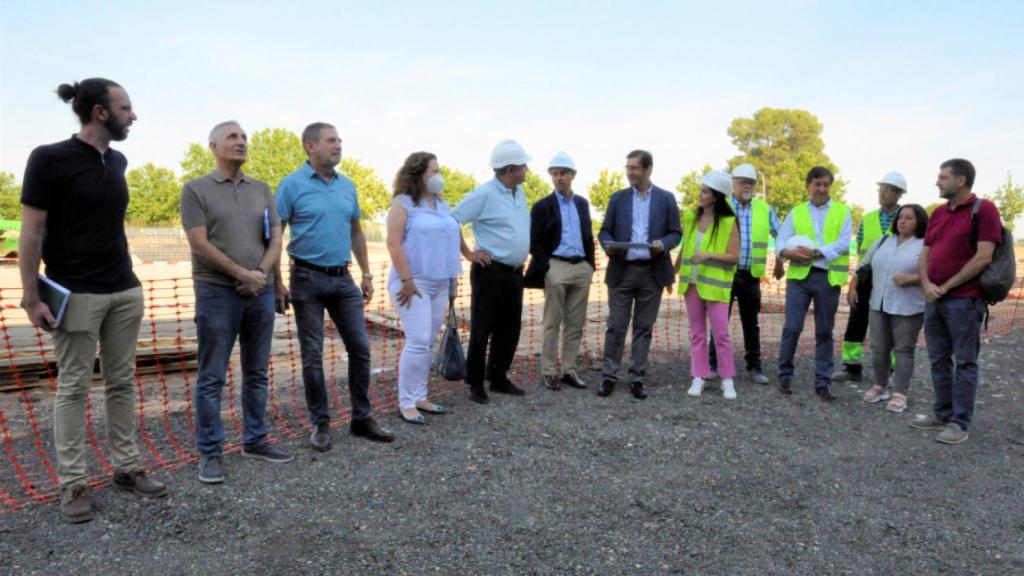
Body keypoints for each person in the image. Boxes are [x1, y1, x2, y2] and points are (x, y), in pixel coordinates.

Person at [19, 78, 167, 523]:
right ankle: (74, 484)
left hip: (123, 289)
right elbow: (32, 231)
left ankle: (126, 468)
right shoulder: (49, 159)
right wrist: (31, 296)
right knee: (74, 388)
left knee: (121, 382)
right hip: (76, 292)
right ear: (101, 112)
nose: (134, 115)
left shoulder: (117, 160)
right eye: (126, 107)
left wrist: (130, 286)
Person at [182, 120, 292, 485]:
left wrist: (263, 276)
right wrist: (241, 275)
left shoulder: (261, 189)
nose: (241, 142)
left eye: (244, 137)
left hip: (259, 291)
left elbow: (275, 237)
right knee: (211, 376)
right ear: (213, 146)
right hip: (217, 292)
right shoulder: (195, 190)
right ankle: (210, 452)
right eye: (233, 137)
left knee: (257, 372)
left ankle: (255, 440)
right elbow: (199, 243)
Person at [275, 122, 394, 447]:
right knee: (312, 355)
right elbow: (275, 234)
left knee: (360, 348)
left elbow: (356, 230)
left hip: (343, 280)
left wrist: (366, 273)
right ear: (309, 146)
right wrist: (276, 282)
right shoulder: (290, 185)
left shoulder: (347, 186)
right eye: (331, 141)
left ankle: (361, 418)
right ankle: (321, 423)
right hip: (305, 279)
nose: (338, 145)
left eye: (339, 140)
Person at [911, 159, 1001, 444]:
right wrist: (926, 284)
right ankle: (942, 413)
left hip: (964, 300)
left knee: (965, 362)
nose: (938, 182)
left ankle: (960, 423)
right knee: (937, 358)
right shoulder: (937, 213)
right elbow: (925, 253)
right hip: (933, 299)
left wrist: (946, 286)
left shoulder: (984, 210)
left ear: (960, 180)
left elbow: (984, 257)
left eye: (943, 177)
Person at [451, 139, 532, 405]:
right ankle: (475, 383)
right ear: (510, 169)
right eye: (523, 166)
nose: (527, 170)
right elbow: (453, 221)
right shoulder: (483, 194)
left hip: (514, 273)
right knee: (482, 328)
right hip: (490, 272)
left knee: (510, 328)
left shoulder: (518, 193)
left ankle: (498, 377)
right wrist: (468, 253)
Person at [597, 150, 682, 400]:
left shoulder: (666, 199)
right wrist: (608, 244)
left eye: (634, 168)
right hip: (621, 272)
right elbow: (605, 232)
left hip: (652, 274)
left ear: (648, 169)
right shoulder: (617, 199)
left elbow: (675, 233)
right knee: (616, 326)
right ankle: (608, 376)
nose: (629, 172)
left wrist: (663, 244)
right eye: (628, 167)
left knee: (644, 327)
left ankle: (637, 377)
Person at [385, 152, 462, 424]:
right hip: (413, 283)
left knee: (427, 342)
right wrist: (406, 280)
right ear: (418, 174)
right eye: (434, 170)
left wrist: (452, 282)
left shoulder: (442, 205)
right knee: (417, 341)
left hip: (440, 283)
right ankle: (406, 402)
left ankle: (420, 396)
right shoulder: (403, 204)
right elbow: (393, 244)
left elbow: (449, 244)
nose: (438, 175)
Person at [775, 166, 853, 401]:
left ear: (830, 186)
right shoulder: (796, 211)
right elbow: (781, 238)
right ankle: (785, 375)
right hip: (799, 277)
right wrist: (787, 253)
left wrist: (817, 252)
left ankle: (823, 382)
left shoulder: (843, 211)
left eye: (826, 184)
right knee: (792, 327)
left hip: (827, 278)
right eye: (817, 183)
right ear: (808, 185)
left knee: (824, 331)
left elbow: (843, 242)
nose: (821, 188)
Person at [524, 151, 595, 391]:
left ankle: (569, 369)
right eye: (554, 173)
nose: (558, 177)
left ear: (573, 175)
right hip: (556, 266)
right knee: (553, 322)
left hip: (581, 267)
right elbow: (535, 242)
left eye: (563, 173)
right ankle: (548, 371)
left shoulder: (582, 204)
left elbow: (588, 236)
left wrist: (590, 266)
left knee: (575, 323)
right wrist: (547, 267)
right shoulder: (542, 206)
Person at [708, 163, 784, 384]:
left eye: (750, 182)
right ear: (733, 184)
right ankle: (714, 365)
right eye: (742, 182)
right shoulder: (721, 207)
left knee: (751, 324)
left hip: (751, 276)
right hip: (724, 275)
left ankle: (755, 367)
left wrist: (780, 261)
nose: (747, 186)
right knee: (720, 322)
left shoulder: (764, 209)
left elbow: (782, 234)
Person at [851, 204, 928, 413]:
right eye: (901, 217)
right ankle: (880, 385)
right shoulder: (884, 241)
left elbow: (935, 274)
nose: (903, 221)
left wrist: (913, 279)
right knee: (878, 347)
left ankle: (900, 393)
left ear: (919, 221)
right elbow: (862, 266)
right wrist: (853, 286)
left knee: (903, 349)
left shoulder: (925, 245)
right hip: (879, 303)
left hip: (908, 306)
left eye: (909, 218)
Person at [834, 172, 907, 383]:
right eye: (880, 189)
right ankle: (851, 367)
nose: (882, 193)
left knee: (892, 324)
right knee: (856, 321)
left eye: (887, 190)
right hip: (867, 279)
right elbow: (861, 254)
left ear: (899, 193)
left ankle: (893, 370)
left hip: (894, 280)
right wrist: (854, 282)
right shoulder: (867, 219)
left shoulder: (906, 218)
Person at [674, 171, 740, 399]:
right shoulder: (691, 217)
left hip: (716, 287)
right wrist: (673, 271)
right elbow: (685, 248)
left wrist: (708, 255)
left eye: (704, 191)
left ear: (716, 196)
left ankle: (727, 379)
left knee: (721, 335)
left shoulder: (729, 222)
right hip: (691, 284)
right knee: (697, 334)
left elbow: (734, 256)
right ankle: (698, 377)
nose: (700, 194)